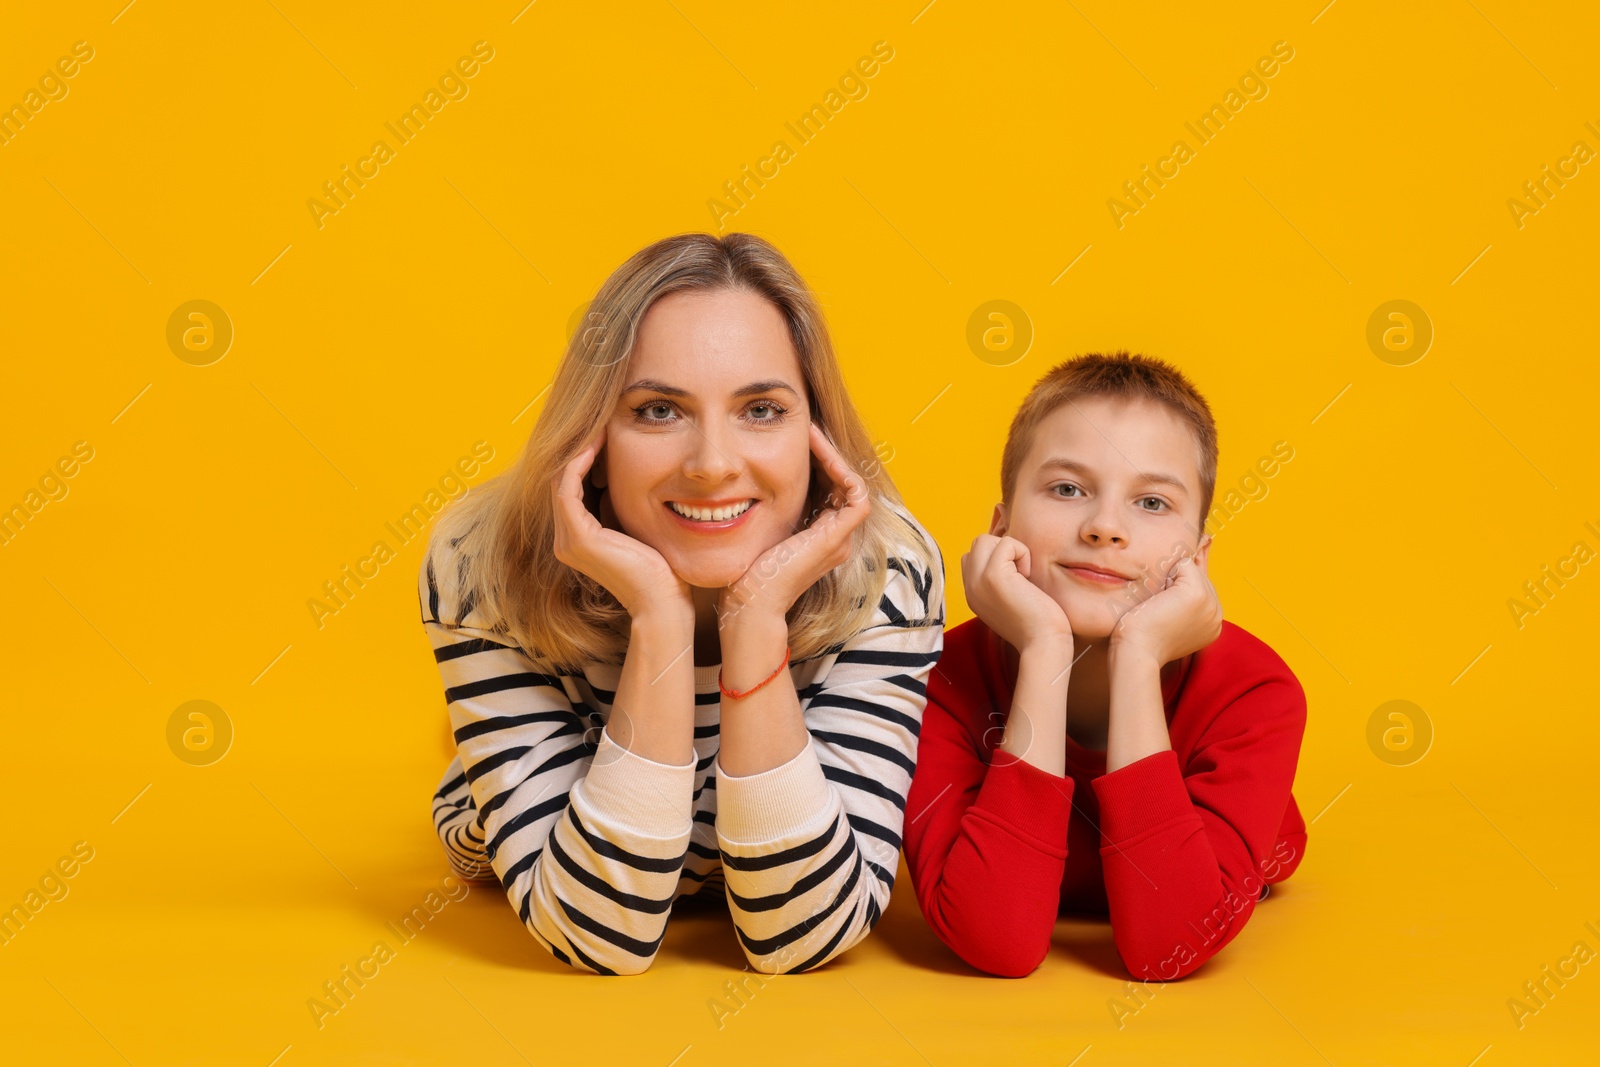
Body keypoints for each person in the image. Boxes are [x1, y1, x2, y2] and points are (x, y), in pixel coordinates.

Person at [420, 232, 945, 975]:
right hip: (560, 806)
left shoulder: (890, 567)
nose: (712, 465)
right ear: (592, 435)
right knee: (489, 830)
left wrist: (755, 620)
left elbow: (804, 934)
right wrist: (660, 622)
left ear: (815, 434)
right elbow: (599, 936)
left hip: (753, 823)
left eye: (760, 409)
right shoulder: (479, 563)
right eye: (659, 410)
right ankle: (484, 768)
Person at [903, 351, 1307, 981]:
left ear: (1196, 558)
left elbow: (1166, 947)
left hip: (1222, 837)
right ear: (1000, 527)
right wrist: (1043, 648)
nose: (1104, 527)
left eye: (1151, 503)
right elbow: (997, 939)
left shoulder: (1257, 691)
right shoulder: (934, 680)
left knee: (1273, 850)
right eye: (1067, 489)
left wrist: (1140, 657)